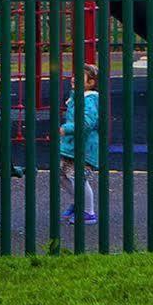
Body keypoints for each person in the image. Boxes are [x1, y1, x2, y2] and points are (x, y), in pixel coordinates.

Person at [58, 62, 101, 224]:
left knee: (79, 178)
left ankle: (88, 212)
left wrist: (67, 128)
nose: (74, 78)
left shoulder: (90, 100)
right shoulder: (77, 96)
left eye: (80, 77)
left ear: (90, 83)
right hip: (71, 146)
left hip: (84, 148)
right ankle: (78, 202)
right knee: (61, 175)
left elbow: (87, 123)